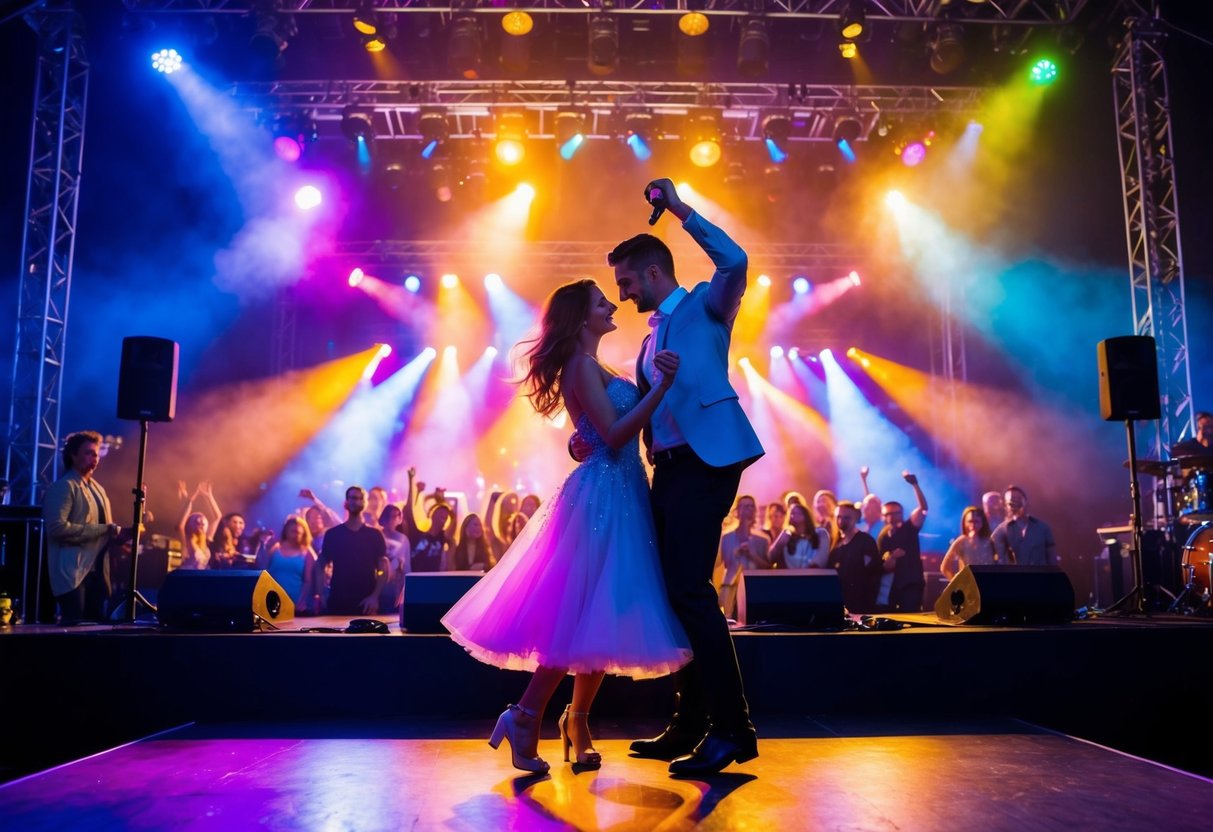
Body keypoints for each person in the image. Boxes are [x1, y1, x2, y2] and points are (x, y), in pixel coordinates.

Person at [441, 277, 692, 774]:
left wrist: (590, 437)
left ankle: (574, 721)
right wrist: (662, 389)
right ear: (581, 318)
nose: (612, 304)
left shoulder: (597, 365)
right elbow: (614, 435)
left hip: (622, 491)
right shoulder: (580, 365)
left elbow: (595, 433)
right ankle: (526, 713)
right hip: (602, 496)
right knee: (581, 613)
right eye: (601, 302)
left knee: (603, 613)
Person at [602, 179, 764, 776]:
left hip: (707, 462)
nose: (622, 294)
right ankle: (691, 722)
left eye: (626, 282)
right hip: (668, 468)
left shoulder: (705, 305)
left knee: (692, 592)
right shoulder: (649, 339)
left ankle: (733, 729)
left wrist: (677, 210)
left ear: (652, 273)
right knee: (676, 595)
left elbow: (736, 260)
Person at [43, 431, 123, 624]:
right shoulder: (63, 486)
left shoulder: (99, 489)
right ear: (73, 455)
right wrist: (104, 530)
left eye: (96, 454)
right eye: (88, 453)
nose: (94, 458)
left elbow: (106, 531)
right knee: (76, 630)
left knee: (95, 629)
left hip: (98, 573)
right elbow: (56, 528)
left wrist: (123, 534)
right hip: (73, 573)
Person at [316, 486, 388, 615]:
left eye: (360, 499)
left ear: (365, 503)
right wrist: (321, 593)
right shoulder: (333, 534)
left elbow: (383, 568)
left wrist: (374, 596)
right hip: (338, 601)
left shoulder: (375, 535)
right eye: (353, 498)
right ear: (346, 502)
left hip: (366, 604)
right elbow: (320, 564)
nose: (357, 502)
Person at [874, 472, 929, 613]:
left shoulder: (909, 527)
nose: (891, 517)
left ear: (901, 513)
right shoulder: (883, 536)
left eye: (895, 513)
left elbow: (923, 509)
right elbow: (883, 563)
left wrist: (915, 485)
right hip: (891, 587)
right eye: (887, 514)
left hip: (911, 584)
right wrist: (891, 558)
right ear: (883, 516)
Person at [717, 495, 771, 618]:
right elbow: (724, 563)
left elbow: (768, 567)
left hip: (755, 589)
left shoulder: (763, 539)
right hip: (730, 588)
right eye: (744, 506)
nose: (748, 509)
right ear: (737, 510)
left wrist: (753, 555)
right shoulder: (726, 537)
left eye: (751, 506)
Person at [255, 515, 319, 613]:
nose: (296, 534)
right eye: (293, 531)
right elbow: (264, 571)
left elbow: (309, 582)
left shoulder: (308, 553)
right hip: (273, 603)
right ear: (286, 531)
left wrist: (302, 601)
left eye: (298, 531)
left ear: (304, 533)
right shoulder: (276, 548)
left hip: (296, 605)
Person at [829, 501, 881, 614]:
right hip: (838, 602)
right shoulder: (835, 544)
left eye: (846, 517)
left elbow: (873, 572)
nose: (841, 520)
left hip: (861, 605)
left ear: (856, 518)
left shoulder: (865, 541)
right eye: (839, 517)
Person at [991, 485, 1057, 566]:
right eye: (1011, 500)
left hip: (1039, 574)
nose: (1016, 503)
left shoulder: (1043, 528)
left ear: (1026, 501)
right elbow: (998, 560)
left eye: (1018, 499)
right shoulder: (1001, 531)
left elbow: (1052, 559)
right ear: (1005, 505)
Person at [403, 469, 453, 573]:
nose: (443, 518)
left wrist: (441, 499)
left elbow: (453, 519)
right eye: (440, 514)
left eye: (445, 517)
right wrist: (411, 480)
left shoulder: (442, 537)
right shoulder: (416, 533)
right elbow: (408, 510)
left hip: (434, 580)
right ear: (432, 515)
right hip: (415, 578)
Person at [940, 506, 997, 580]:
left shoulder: (990, 541)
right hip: (969, 584)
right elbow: (945, 567)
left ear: (982, 522)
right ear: (964, 523)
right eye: (970, 521)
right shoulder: (961, 541)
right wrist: (956, 583)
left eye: (976, 521)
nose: (973, 525)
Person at [770, 502, 831, 569]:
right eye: (791, 513)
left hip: (813, 575)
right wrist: (781, 539)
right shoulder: (786, 536)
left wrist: (808, 572)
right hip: (789, 575)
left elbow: (820, 560)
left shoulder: (820, 534)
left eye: (796, 513)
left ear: (805, 516)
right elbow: (770, 559)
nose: (792, 516)